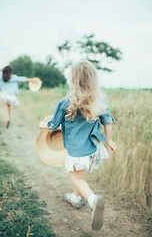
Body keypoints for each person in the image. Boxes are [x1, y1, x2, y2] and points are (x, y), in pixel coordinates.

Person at [39, 61, 117, 231]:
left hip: (76, 150)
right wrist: (109, 140)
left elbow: (53, 125)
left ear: (73, 80)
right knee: (79, 174)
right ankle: (75, 197)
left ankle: (92, 200)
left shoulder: (66, 102)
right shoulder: (99, 102)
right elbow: (107, 121)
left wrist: (43, 125)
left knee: (76, 177)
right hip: (92, 148)